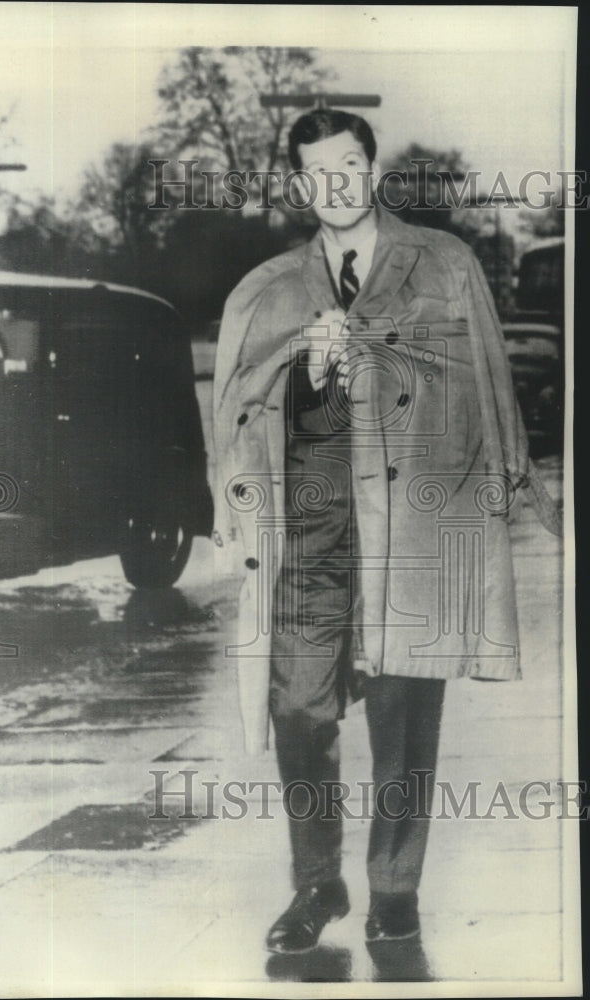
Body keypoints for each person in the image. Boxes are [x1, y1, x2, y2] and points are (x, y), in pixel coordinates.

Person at [212, 109, 560, 953]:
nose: (337, 186)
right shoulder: (268, 288)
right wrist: (306, 366)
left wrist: (510, 491)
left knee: (405, 718)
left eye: (351, 165)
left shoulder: (444, 264)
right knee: (298, 709)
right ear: (298, 186)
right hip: (312, 528)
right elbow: (235, 411)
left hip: (412, 532)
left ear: (373, 170)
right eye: (317, 173)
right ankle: (318, 882)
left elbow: (482, 386)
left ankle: (394, 889)